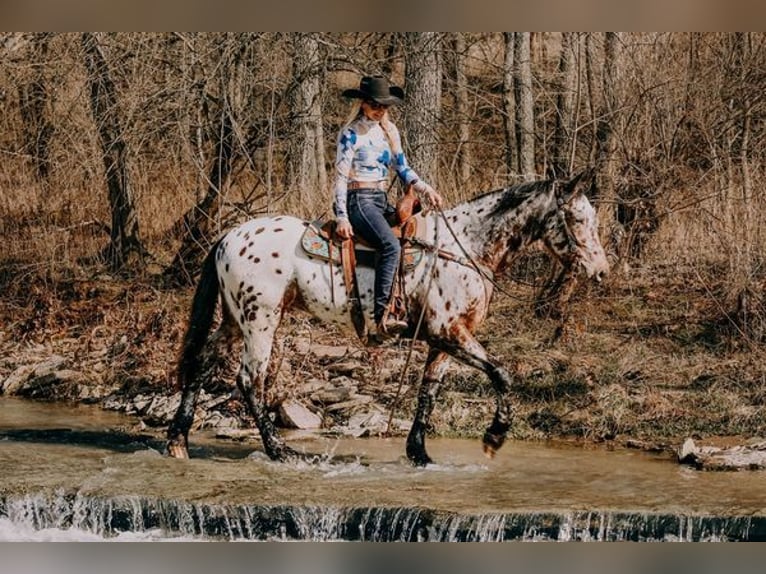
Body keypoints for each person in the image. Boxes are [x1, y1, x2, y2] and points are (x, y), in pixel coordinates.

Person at [333, 75, 443, 337]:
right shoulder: (351, 134)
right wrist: (341, 216)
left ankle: (407, 302)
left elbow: (403, 168)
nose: (379, 110)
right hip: (359, 199)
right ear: (362, 104)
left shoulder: (389, 131)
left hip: (381, 199)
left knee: (414, 241)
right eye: (374, 104)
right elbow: (340, 176)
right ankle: (383, 314)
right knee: (390, 245)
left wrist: (426, 189)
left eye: (384, 105)